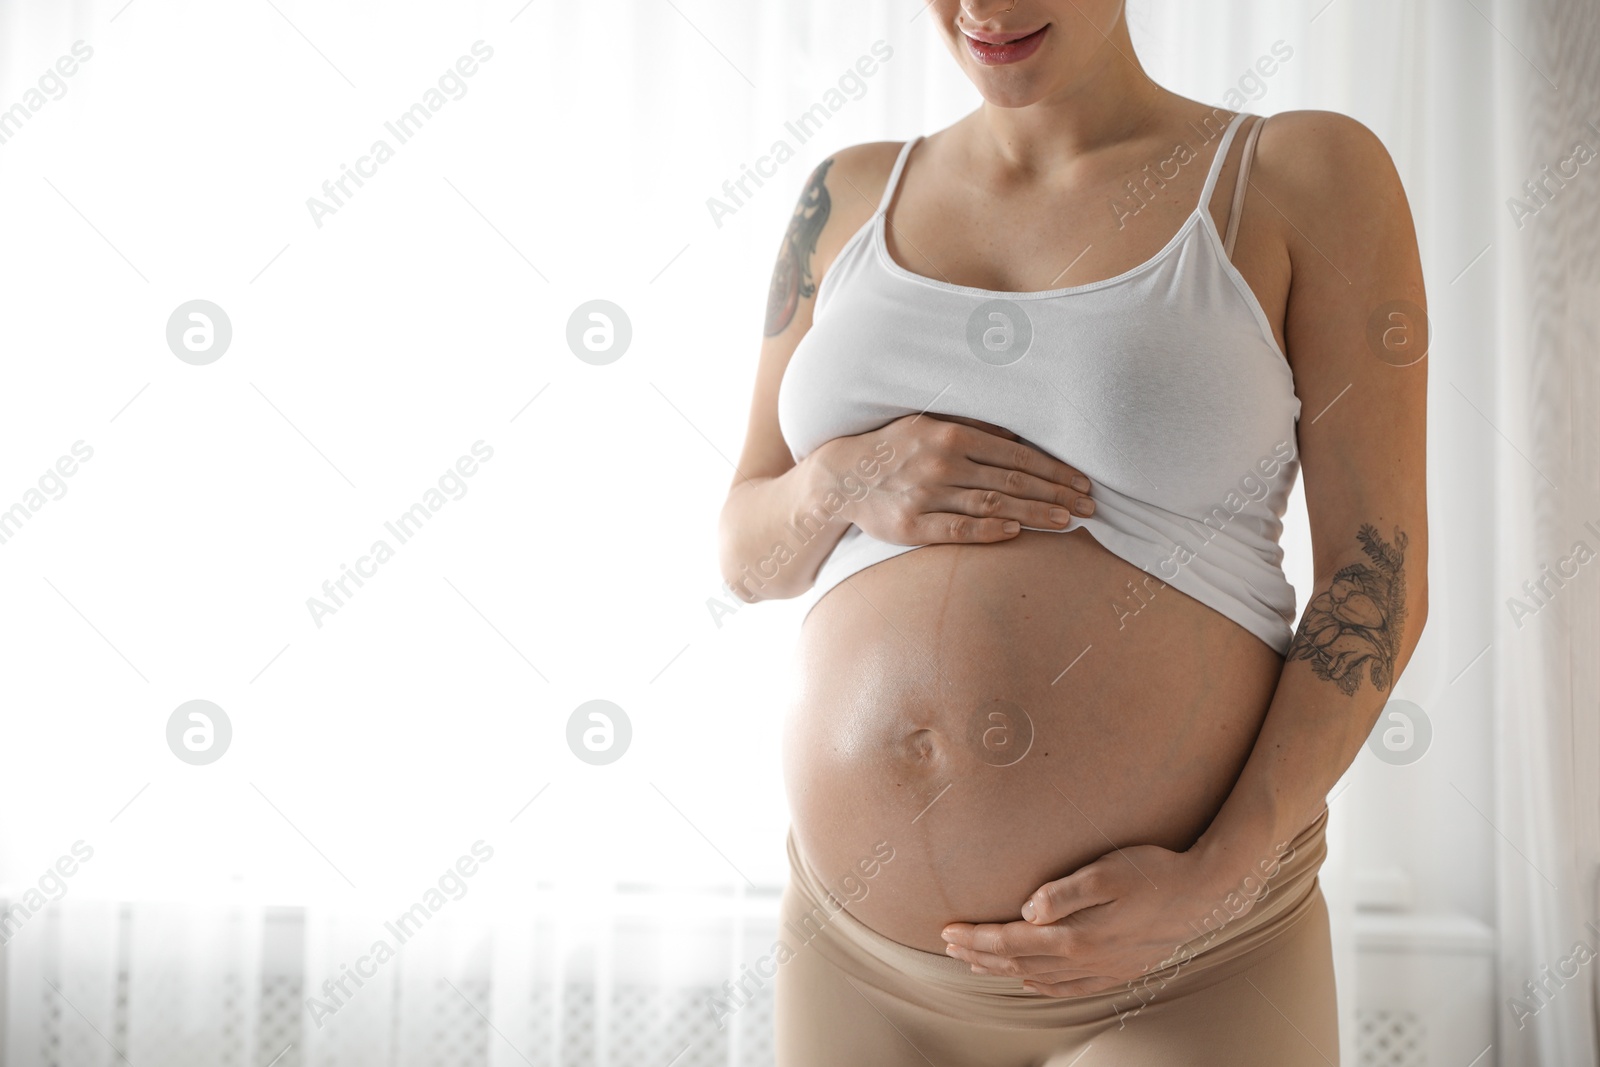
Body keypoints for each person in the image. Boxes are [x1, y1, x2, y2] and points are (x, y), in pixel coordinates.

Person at [716, 1, 1428, 1062]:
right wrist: (840, 479)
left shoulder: (1298, 173)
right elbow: (745, 553)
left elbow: (1374, 579)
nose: (986, 11)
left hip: (1185, 962)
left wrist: (1216, 876)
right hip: (859, 960)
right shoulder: (846, 195)